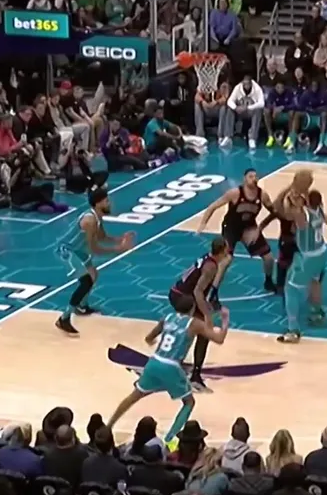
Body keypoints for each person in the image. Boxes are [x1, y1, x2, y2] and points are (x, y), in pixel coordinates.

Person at [104, 291, 230, 448]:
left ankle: (108, 426)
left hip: (154, 362)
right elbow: (219, 339)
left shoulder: (167, 318)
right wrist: (225, 320)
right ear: (192, 309)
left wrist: (155, 342)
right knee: (189, 402)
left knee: (133, 396)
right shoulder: (194, 323)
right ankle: (170, 439)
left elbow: (148, 338)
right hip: (171, 366)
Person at [56, 188, 136, 335]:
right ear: (98, 203)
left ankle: (81, 307)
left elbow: (102, 237)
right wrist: (118, 249)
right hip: (67, 250)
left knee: (93, 274)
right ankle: (64, 318)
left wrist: (120, 238)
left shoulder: (97, 217)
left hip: (78, 249)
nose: (109, 203)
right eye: (106, 201)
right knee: (86, 281)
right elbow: (94, 248)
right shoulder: (89, 221)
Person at [278, 189, 327, 343]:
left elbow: (287, 212)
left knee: (290, 289)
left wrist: (290, 198)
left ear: (307, 201)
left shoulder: (303, 215)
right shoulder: (319, 209)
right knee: (315, 283)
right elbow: (325, 218)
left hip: (308, 257)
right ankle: (317, 314)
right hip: (321, 253)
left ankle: (293, 330)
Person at [166, 237, 232, 392]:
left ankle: (174, 359)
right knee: (203, 331)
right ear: (222, 251)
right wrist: (207, 315)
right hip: (183, 297)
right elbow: (198, 292)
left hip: (180, 293)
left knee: (195, 328)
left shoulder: (208, 258)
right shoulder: (211, 267)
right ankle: (195, 376)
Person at [197, 169, 276, 294]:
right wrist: (203, 223)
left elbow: (274, 212)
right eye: (251, 176)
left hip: (249, 228)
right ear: (244, 179)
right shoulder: (235, 193)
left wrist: (260, 227)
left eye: (256, 176)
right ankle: (213, 291)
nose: (254, 179)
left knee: (269, 257)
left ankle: (269, 282)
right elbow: (213, 206)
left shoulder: (262, 195)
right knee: (226, 259)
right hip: (231, 228)